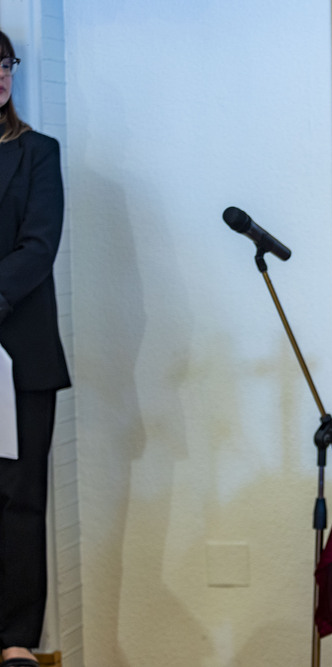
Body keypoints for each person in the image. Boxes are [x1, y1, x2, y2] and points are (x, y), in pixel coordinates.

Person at [0, 30, 70, 667]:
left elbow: (38, 245)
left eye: (3, 62)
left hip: (18, 351)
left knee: (21, 495)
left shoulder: (37, 153)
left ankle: (16, 638)